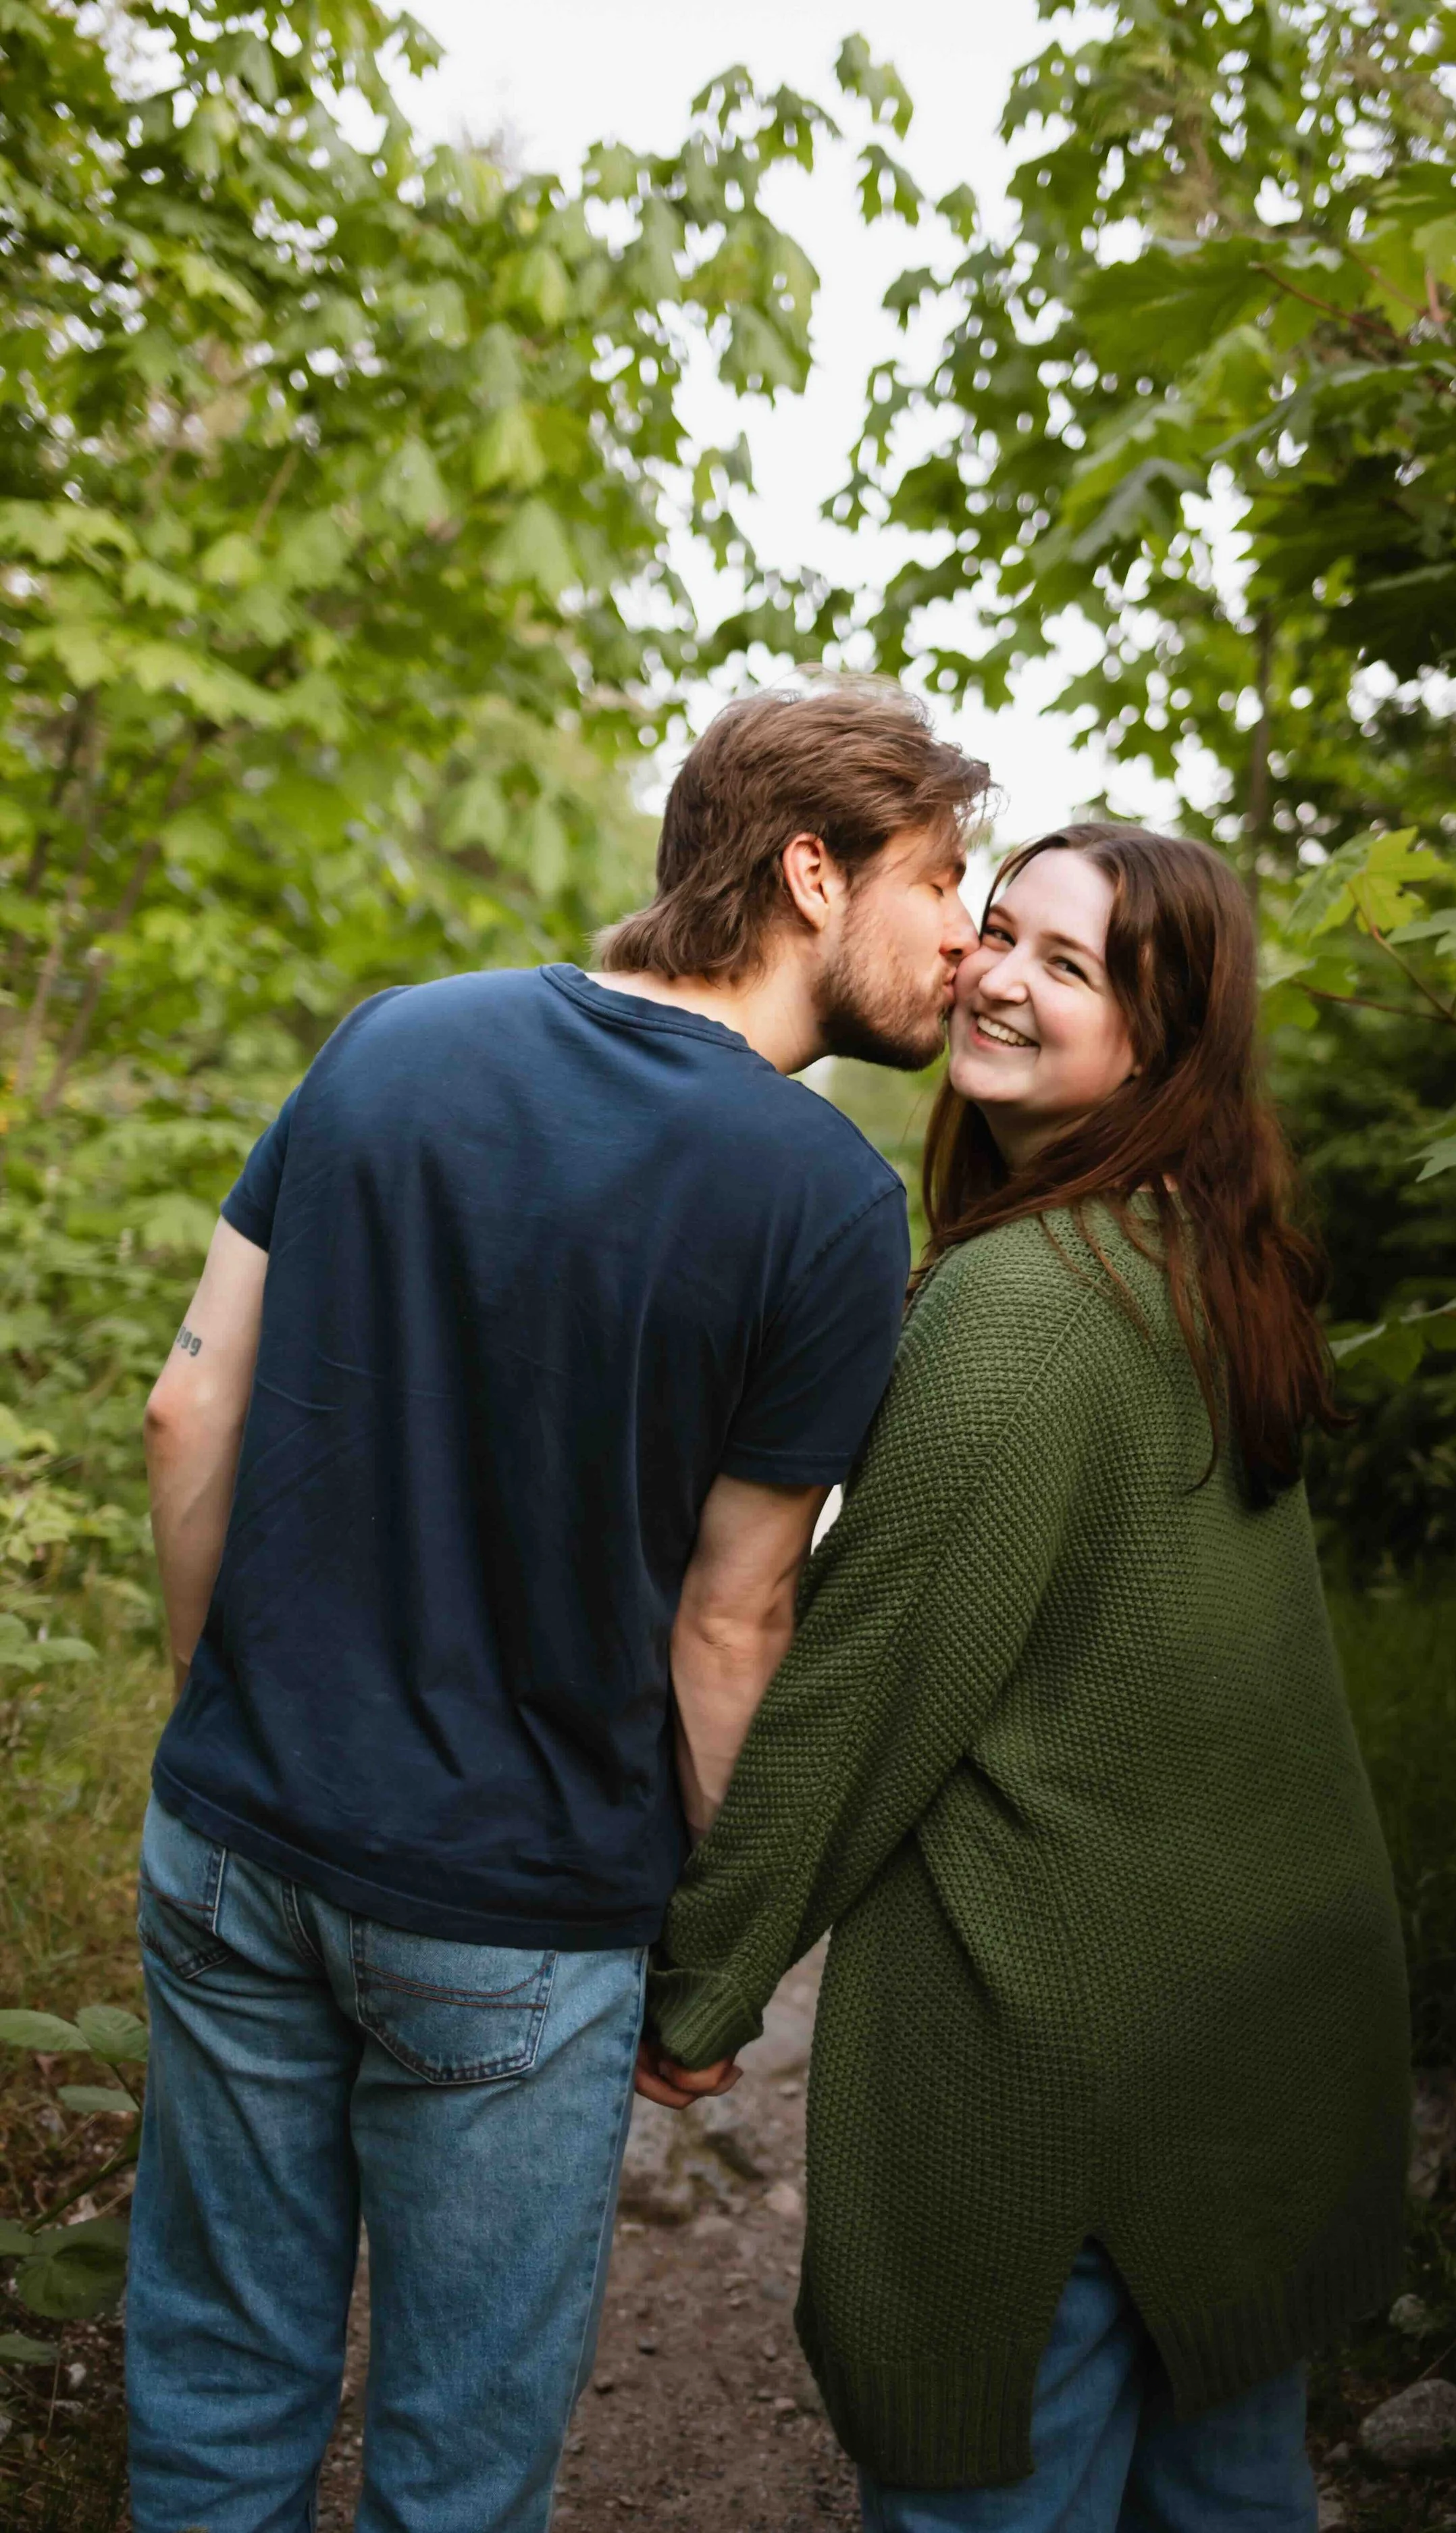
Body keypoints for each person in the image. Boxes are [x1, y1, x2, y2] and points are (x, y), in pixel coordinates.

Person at [128, 677, 990, 2533]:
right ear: (812, 872)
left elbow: (186, 1406)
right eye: (946, 874)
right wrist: (720, 1956)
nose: (970, 932)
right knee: (456, 2462)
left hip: (234, 1838)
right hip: (510, 1915)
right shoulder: (824, 1204)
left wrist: (230, 1715)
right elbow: (727, 1624)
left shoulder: (391, 1041)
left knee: (215, 2376)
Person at [642, 823, 1412, 2532]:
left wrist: (701, 1987)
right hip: (1265, 2021)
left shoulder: (1023, 1306)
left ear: (1161, 1040)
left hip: (1060, 2057)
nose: (993, 977)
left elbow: (867, 1691)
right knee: (1219, 2491)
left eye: (1067, 968)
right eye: (996, 932)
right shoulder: (1209, 1257)